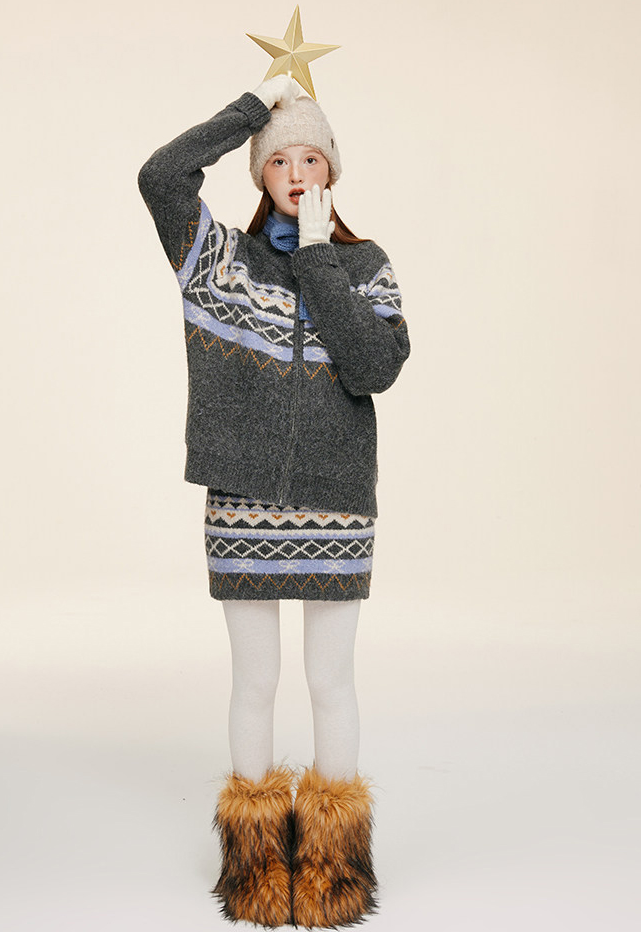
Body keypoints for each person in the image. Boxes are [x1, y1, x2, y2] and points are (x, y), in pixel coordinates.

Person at [138, 74, 410, 929]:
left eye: (312, 158)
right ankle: (255, 868)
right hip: (243, 503)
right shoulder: (219, 260)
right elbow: (159, 176)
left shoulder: (367, 266)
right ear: (259, 170)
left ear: (333, 171)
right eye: (280, 159)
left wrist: (321, 256)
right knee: (254, 680)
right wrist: (252, 110)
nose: (297, 172)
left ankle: (334, 871)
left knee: (331, 680)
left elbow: (374, 368)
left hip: (337, 504)